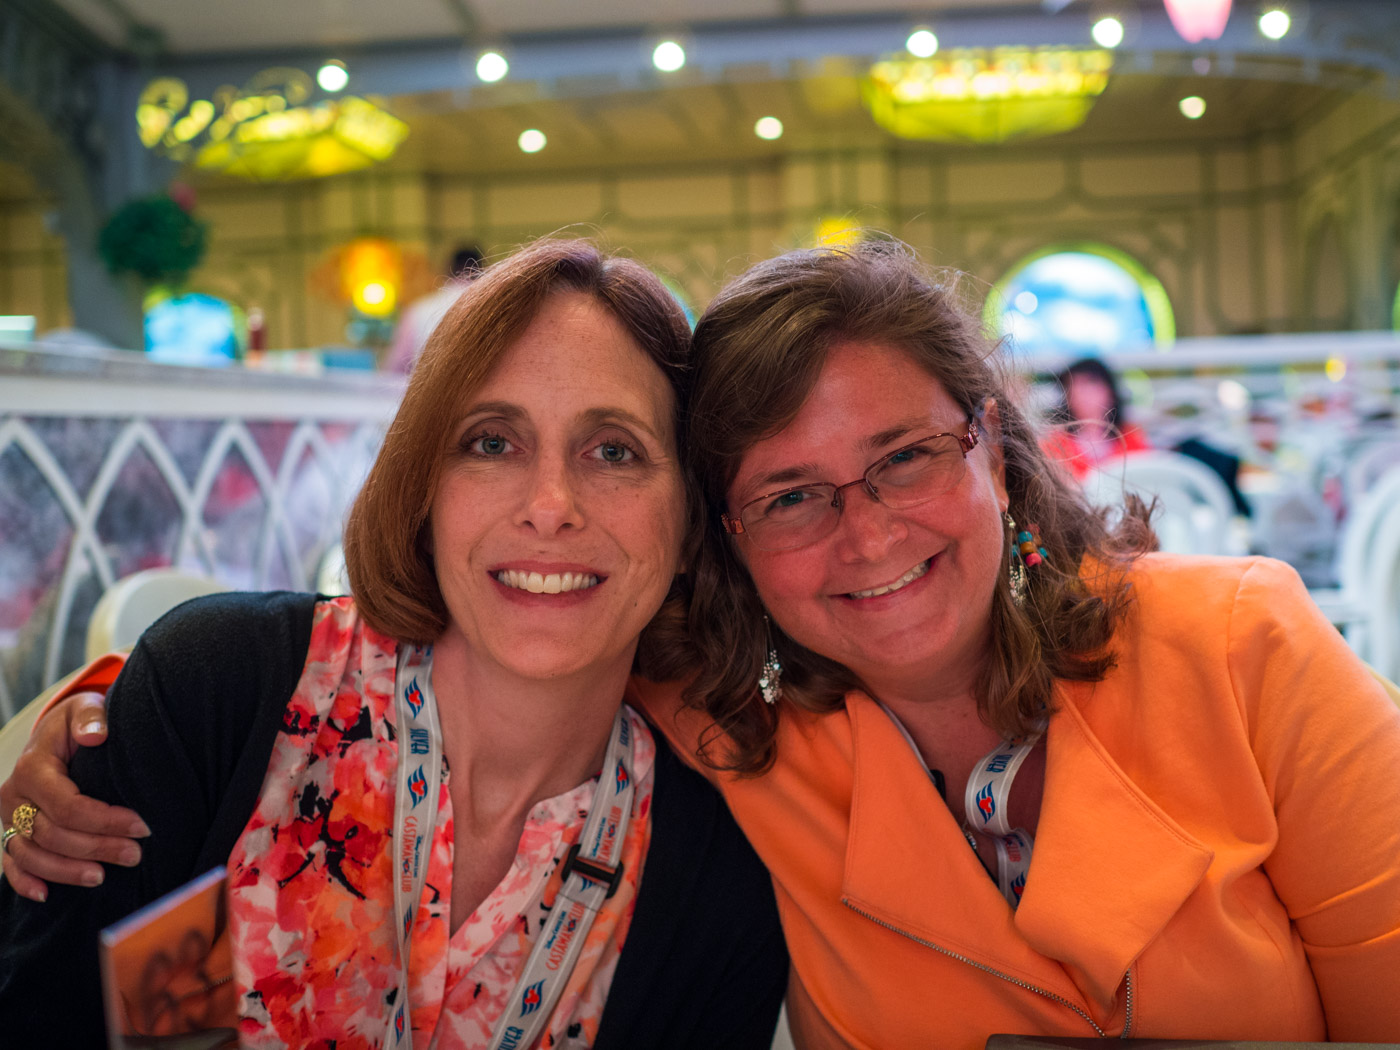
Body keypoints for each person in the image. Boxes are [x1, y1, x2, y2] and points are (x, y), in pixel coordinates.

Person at [13, 241, 1400, 1047]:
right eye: (492, 441)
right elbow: (88, 1011)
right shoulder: (230, 703)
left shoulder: (712, 817)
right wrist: (88, 716)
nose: (861, 531)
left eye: (616, 450)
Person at [0, 239, 786, 1049]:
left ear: (690, 520)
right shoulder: (214, 695)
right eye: (491, 442)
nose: (551, 506)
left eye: (613, 451)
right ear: (423, 488)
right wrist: (15, 824)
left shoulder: (716, 885)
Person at [1040, 356, 1151, 480]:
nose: (1081, 395)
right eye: (1073, 387)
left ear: (1109, 391)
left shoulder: (1131, 437)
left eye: (1089, 384)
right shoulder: (1055, 445)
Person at [385, 245, 485, 374]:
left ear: (448, 269)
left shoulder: (419, 309)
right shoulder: (493, 310)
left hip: (425, 390)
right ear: (483, 270)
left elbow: (398, 364)